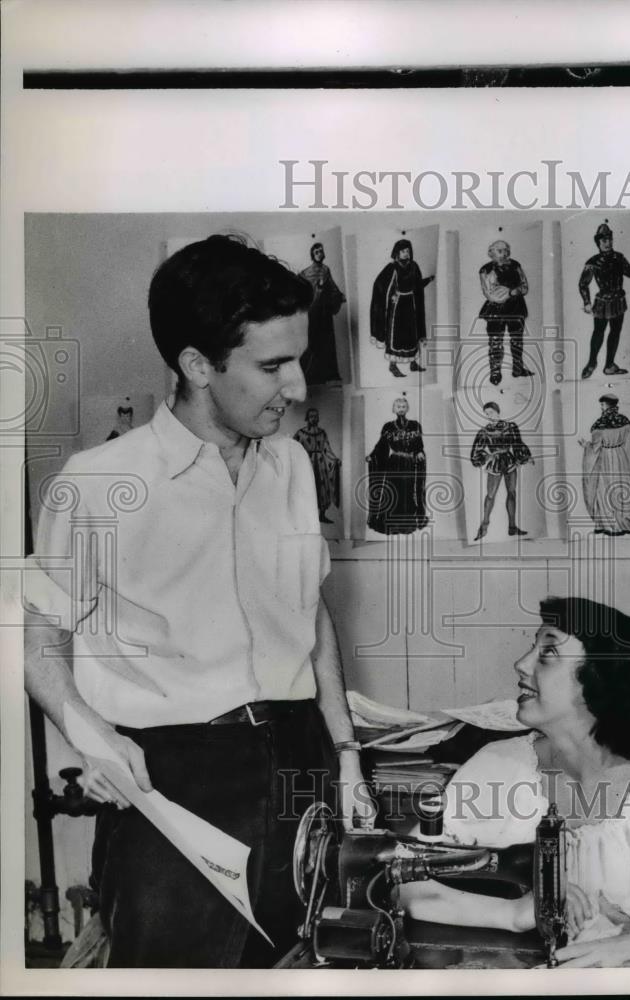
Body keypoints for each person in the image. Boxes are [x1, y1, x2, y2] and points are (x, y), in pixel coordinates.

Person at [23, 234, 374, 968]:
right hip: (176, 780)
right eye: (273, 366)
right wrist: (89, 734)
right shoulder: (96, 485)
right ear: (196, 365)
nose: (299, 388)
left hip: (299, 757)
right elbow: (36, 634)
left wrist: (344, 751)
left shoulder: (291, 465)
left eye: (299, 360)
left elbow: (309, 613)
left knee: (301, 966)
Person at [400, 597, 630, 968]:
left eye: (548, 652)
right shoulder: (497, 768)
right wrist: (516, 913)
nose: (521, 664)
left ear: (601, 679)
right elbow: (400, 882)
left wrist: (628, 947)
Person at [578, 393, 630, 536]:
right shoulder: (624, 421)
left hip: (605, 458)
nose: (601, 407)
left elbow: (595, 448)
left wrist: (585, 445)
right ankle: (626, 521)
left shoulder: (599, 424)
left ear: (606, 405)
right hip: (620, 458)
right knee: (622, 489)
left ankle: (610, 525)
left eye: (602, 404)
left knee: (604, 490)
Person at [578, 222, 630, 379]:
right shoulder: (593, 261)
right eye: (604, 241)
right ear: (598, 243)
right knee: (598, 333)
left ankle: (609, 365)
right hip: (602, 301)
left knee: (615, 332)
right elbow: (583, 283)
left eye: (609, 239)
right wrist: (586, 302)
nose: (607, 243)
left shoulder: (618, 257)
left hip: (618, 300)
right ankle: (592, 363)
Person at [370, 238, 434, 378]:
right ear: (397, 252)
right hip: (397, 306)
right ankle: (393, 366)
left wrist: (428, 280)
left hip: (410, 304)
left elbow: (416, 285)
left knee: (411, 334)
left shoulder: (414, 266)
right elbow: (379, 285)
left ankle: (412, 363)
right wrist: (390, 296)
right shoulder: (392, 267)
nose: (406, 253)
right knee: (396, 336)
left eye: (408, 250)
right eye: (403, 251)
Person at [470, 401, 534, 539]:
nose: (489, 416)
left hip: (510, 462)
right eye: (486, 414)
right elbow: (476, 452)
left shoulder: (510, 427)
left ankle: (512, 527)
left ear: (497, 411)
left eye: (491, 412)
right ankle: (484, 526)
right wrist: (488, 456)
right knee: (490, 495)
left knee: (512, 493)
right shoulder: (484, 431)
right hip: (495, 464)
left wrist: (523, 457)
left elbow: (517, 444)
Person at [365, 397, 428, 534]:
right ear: (393, 409)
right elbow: (381, 445)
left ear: (407, 408)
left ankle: (407, 524)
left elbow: (419, 444)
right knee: (393, 491)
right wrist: (372, 455)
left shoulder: (414, 425)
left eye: (403, 406)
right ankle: (391, 524)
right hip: (394, 463)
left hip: (409, 463)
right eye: (398, 406)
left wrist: (419, 452)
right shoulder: (388, 426)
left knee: (408, 491)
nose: (401, 409)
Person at [478, 239, 533, 385]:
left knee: (517, 340)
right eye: (500, 251)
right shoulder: (486, 270)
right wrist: (511, 293)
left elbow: (525, 287)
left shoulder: (515, 265)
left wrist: (511, 292)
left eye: (506, 250)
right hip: (496, 309)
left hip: (516, 308)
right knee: (495, 341)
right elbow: (490, 293)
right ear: (491, 253)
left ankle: (518, 368)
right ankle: (495, 372)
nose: (505, 253)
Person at [298, 242, 346, 384]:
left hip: (324, 313)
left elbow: (332, 286)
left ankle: (328, 374)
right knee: (312, 342)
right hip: (312, 313)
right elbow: (301, 290)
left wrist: (339, 295)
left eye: (321, 251)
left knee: (327, 343)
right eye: (316, 252)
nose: (319, 254)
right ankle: (309, 375)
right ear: (312, 255)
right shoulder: (305, 273)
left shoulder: (326, 270)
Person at [293, 407, 342, 524]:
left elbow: (327, 449)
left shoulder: (322, 433)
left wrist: (335, 459)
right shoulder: (300, 433)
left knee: (322, 489)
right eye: (311, 416)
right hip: (306, 463)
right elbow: (293, 448)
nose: (314, 419)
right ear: (307, 418)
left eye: (316, 416)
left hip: (320, 464)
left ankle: (322, 515)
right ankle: (306, 517)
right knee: (306, 488)